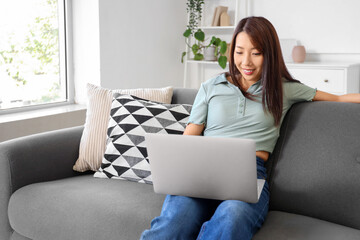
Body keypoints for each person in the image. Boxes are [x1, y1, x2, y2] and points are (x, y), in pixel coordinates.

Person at [140, 16, 360, 240]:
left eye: (256, 53)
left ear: (269, 54)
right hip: (200, 172)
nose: (246, 62)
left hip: (250, 175)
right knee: (174, 222)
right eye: (239, 51)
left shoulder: (284, 89)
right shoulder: (210, 87)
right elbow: (189, 140)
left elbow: (340, 99)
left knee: (232, 217)